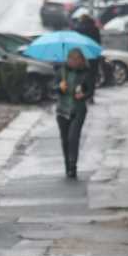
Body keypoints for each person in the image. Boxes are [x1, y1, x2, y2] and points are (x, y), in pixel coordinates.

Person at [55, 48, 94, 180]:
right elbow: (52, 87)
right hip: (62, 110)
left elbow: (90, 90)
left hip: (78, 110)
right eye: (71, 59)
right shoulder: (61, 71)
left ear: (81, 61)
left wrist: (83, 95)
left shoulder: (86, 73)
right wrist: (59, 88)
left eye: (77, 60)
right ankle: (67, 166)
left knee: (73, 138)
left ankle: (72, 167)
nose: (73, 62)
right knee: (65, 140)